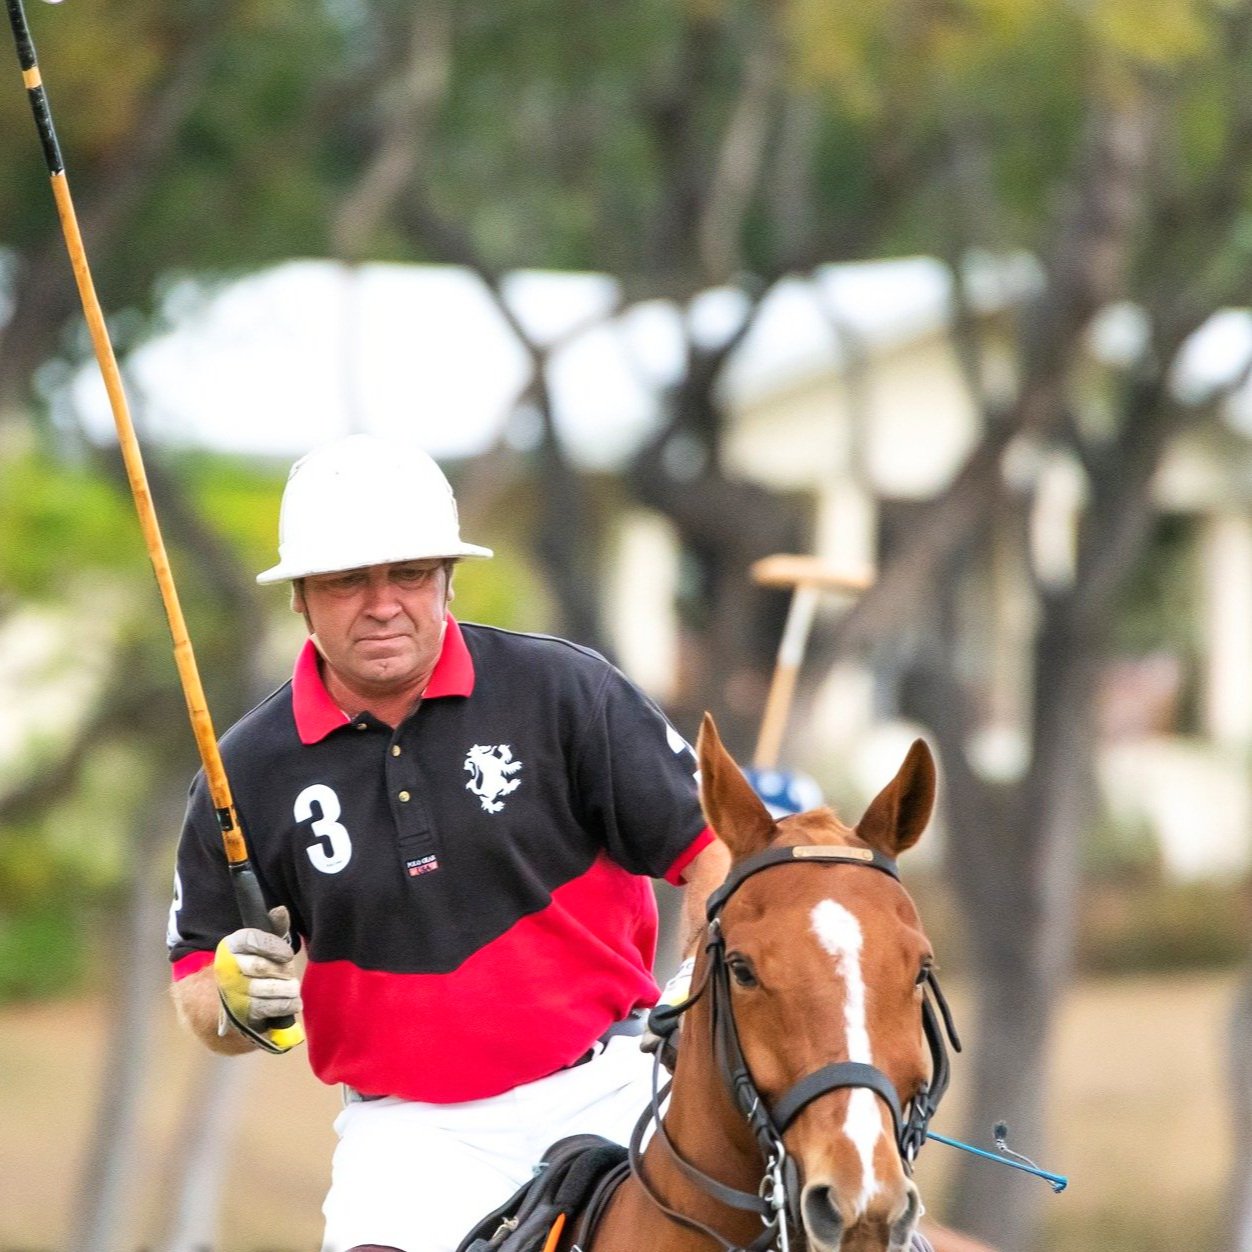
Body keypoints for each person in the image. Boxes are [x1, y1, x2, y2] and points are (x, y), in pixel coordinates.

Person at [165, 432, 729, 1252]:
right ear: (300, 599)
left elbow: (715, 848)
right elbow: (196, 978)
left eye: (409, 574)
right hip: (412, 1137)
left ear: (447, 580)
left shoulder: (563, 690)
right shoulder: (245, 771)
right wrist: (233, 1003)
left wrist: (696, 983)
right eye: (346, 580)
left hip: (609, 1086)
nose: (382, 603)